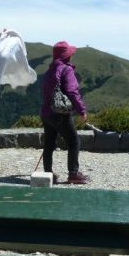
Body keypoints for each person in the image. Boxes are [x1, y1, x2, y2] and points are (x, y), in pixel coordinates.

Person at [40, 41, 89, 184]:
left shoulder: (49, 70)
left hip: (46, 113)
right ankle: (73, 174)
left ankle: (47, 174)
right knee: (74, 141)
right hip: (60, 114)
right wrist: (82, 110)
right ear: (67, 56)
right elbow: (72, 91)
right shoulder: (67, 70)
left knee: (49, 144)